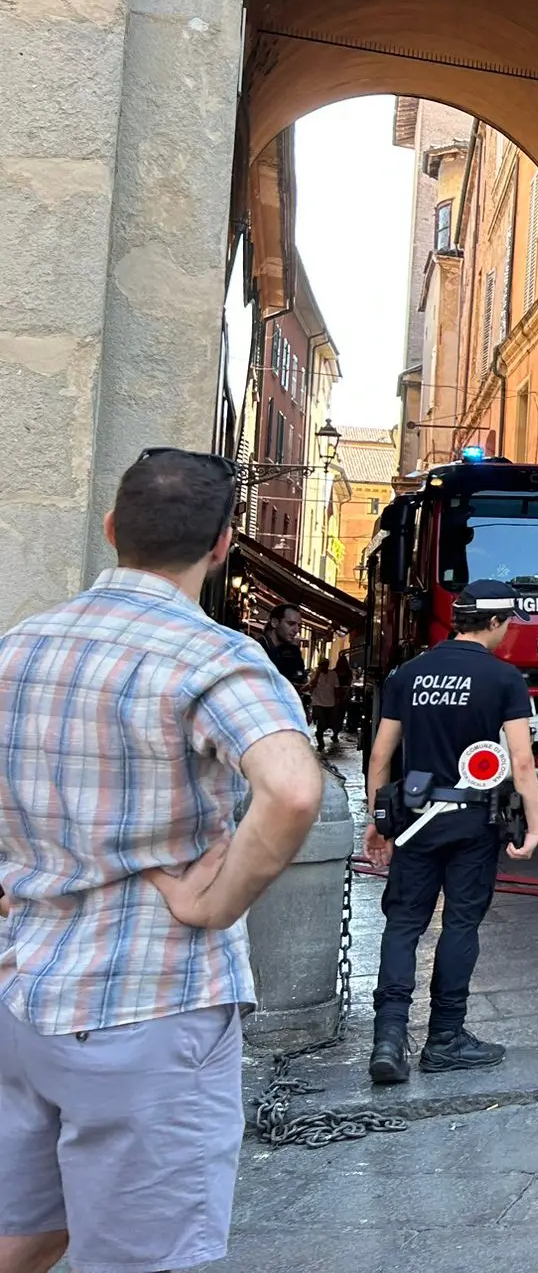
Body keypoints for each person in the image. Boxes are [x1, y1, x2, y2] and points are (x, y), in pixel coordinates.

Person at [0, 448, 326, 1273]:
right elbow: (290, 791)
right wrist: (214, 903)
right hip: (152, 1001)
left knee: (25, 1233)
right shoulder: (213, 657)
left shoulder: (18, 646)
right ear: (223, 546)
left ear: (112, 529)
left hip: (23, 990)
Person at [361, 580, 538, 1085]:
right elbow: (522, 763)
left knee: (403, 925)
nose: (508, 634)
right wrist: (534, 824)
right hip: (473, 822)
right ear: (494, 622)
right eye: (508, 624)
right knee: (460, 925)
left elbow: (380, 757)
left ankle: (389, 1038)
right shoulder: (505, 679)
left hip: (416, 821)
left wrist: (378, 822)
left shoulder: (408, 674)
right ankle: (445, 1038)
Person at [260, 602, 307, 694]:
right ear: (274, 623)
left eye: (299, 625)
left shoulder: (293, 651)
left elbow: (300, 678)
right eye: (291, 624)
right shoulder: (256, 648)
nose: (296, 630)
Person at [308, 657, 343, 753]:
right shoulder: (315, 674)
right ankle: (320, 742)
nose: (323, 667)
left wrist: (337, 700)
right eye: (321, 665)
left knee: (331, 723)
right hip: (318, 702)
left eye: (325, 664)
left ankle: (333, 735)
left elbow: (336, 687)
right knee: (321, 723)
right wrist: (318, 674)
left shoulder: (333, 674)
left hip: (330, 703)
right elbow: (312, 686)